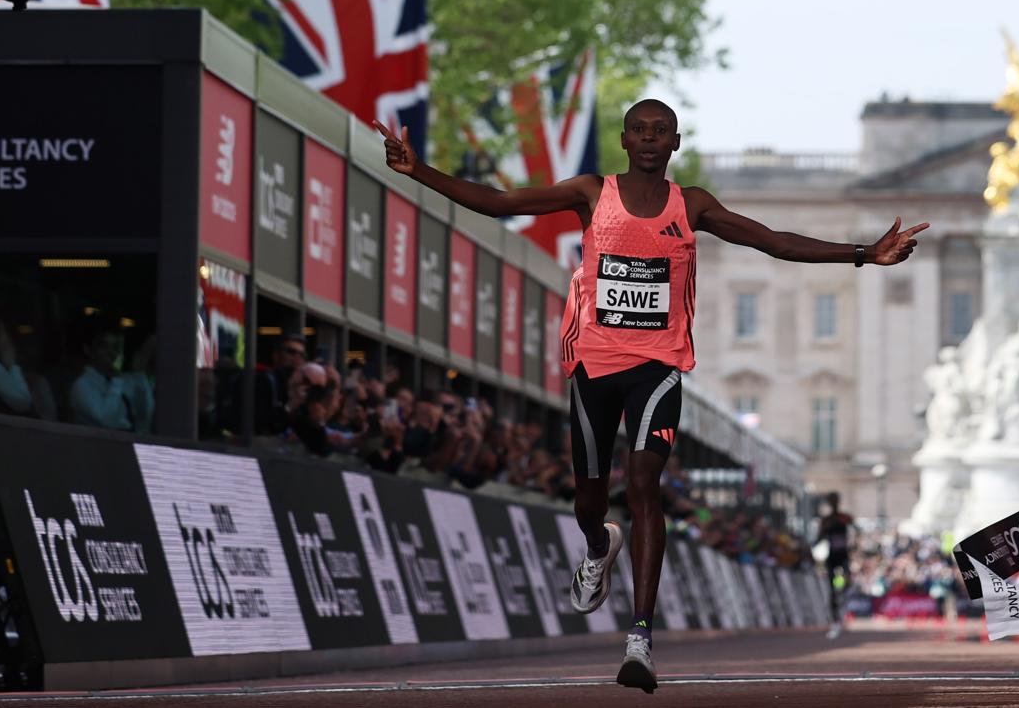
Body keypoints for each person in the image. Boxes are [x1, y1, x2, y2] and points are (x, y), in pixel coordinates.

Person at [378, 99, 926, 693]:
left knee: (644, 485)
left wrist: (863, 254)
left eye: (659, 131)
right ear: (624, 139)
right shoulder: (592, 192)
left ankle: (640, 636)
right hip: (593, 365)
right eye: (639, 130)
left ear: (674, 143)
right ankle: (597, 544)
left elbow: (771, 241)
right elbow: (502, 203)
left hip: (659, 367)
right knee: (589, 498)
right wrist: (419, 170)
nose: (648, 139)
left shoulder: (691, 205)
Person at [69, 323, 156, 433]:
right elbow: (107, 421)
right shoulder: (82, 385)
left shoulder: (124, 380)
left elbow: (144, 414)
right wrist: (116, 381)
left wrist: (139, 374)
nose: (110, 353)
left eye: (115, 347)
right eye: (104, 346)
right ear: (88, 349)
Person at [817, 492, 855, 636]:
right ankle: (835, 620)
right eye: (831, 500)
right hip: (832, 557)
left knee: (846, 582)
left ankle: (843, 597)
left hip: (843, 556)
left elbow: (854, 528)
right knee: (832, 590)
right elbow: (819, 538)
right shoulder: (826, 520)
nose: (834, 502)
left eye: (835, 500)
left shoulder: (845, 517)